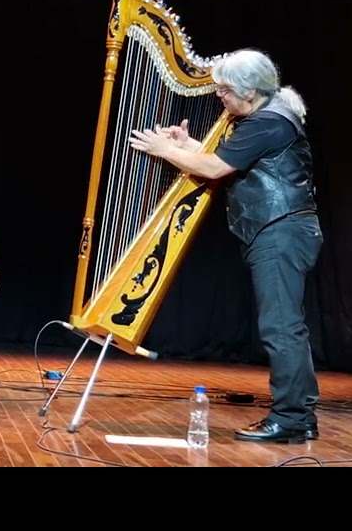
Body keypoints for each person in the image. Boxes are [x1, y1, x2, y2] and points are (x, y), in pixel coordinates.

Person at [129, 48, 322, 443]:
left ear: (249, 92)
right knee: (285, 326)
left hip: (281, 231)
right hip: (279, 231)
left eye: (224, 89)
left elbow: (215, 168)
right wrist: (186, 145)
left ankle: (290, 418)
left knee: (281, 328)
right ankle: (300, 415)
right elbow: (225, 159)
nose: (219, 96)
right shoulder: (268, 116)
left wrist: (165, 149)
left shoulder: (267, 122)